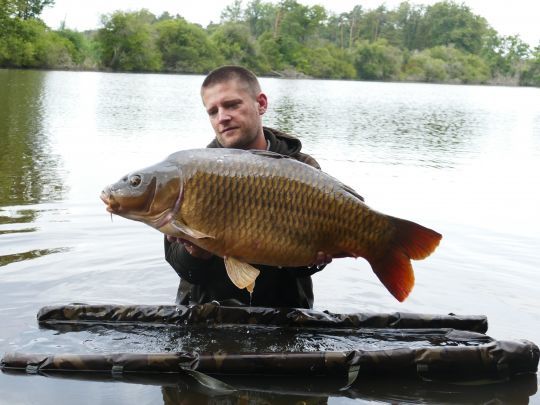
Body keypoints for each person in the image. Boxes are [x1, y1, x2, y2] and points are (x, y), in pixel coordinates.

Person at [164, 65, 331, 309]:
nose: (222, 117)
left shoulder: (301, 168)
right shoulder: (192, 175)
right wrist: (196, 255)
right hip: (208, 311)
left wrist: (314, 260)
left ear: (261, 104)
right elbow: (183, 269)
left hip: (284, 312)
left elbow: (309, 266)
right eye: (213, 111)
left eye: (232, 105)